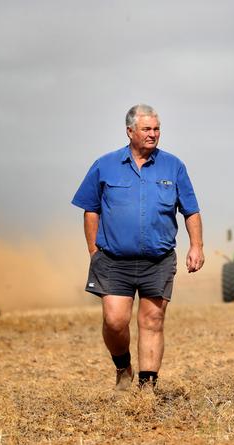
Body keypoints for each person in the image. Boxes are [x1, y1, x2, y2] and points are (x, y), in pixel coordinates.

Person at [72, 104, 204, 391]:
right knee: (115, 320)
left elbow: (191, 210)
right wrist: (94, 251)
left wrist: (197, 246)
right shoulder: (104, 165)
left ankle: (147, 389)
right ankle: (122, 367)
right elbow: (90, 209)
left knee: (152, 319)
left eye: (156, 129)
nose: (153, 134)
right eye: (146, 129)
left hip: (157, 260)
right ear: (129, 131)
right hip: (113, 260)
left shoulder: (174, 166)